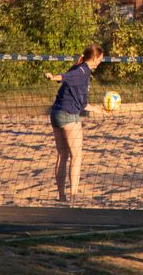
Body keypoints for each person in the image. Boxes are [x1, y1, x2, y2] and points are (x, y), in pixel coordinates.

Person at [44, 44, 104, 202]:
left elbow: (82, 102)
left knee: (62, 156)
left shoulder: (80, 69)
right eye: (101, 59)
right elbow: (64, 77)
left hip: (55, 114)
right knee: (76, 157)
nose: (101, 62)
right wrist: (52, 77)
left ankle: (62, 196)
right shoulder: (81, 71)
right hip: (68, 115)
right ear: (96, 58)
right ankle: (73, 196)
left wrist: (98, 109)